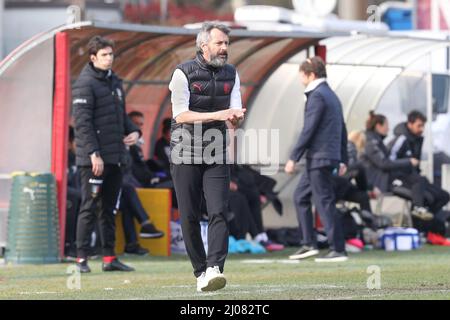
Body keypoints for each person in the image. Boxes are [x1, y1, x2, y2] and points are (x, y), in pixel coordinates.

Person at [169, 21, 245, 292]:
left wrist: (234, 119)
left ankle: (215, 268)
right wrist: (220, 115)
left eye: (227, 43)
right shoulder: (182, 73)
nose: (225, 48)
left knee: (218, 211)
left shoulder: (232, 73)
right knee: (189, 215)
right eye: (219, 43)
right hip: (185, 150)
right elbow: (181, 115)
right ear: (204, 46)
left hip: (215, 151)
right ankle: (200, 272)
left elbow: (234, 114)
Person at [72, 35, 140, 273]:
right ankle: (81, 259)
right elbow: (82, 123)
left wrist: (135, 133)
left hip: (116, 157)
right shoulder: (84, 83)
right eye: (104, 55)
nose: (109, 59)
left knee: (110, 209)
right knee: (89, 207)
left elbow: (121, 118)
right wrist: (93, 153)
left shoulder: (115, 82)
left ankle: (109, 258)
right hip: (94, 160)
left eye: (111, 54)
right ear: (93, 58)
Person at [285, 56, 349, 263]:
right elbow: (343, 129)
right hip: (325, 157)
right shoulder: (331, 95)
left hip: (319, 158)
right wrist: (342, 159)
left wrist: (294, 157)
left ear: (311, 75)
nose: (300, 80)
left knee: (324, 202)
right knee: (301, 197)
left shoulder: (317, 95)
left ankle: (338, 249)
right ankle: (308, 243)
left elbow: (309, 129)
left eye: (302, 76)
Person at [389, 110, 450, 246]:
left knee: (443, 196)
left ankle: (426, 226)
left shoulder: (417, 139)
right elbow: (388, 161)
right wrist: (408, 162)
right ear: (410, 124)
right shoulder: (401, 139)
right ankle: (420, 226)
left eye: (423, 126)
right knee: (425, 197)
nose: (421, 129)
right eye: (419, 125)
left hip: (415, 179)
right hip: (398, 179)